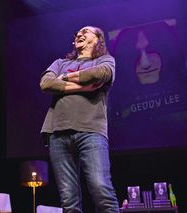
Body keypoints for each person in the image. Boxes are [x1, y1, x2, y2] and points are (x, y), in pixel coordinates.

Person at [40, 26, 119, 213]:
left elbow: (101, 74)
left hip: (91, 131)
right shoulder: (60, 62)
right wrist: (84, 87)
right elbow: (46, 83)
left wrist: (65, 78)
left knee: (101, 189)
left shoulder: (104, 60)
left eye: (86, 31)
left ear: (98, 39)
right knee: (69, 200)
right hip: (57, 133)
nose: (80, 34)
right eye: (77, 33)